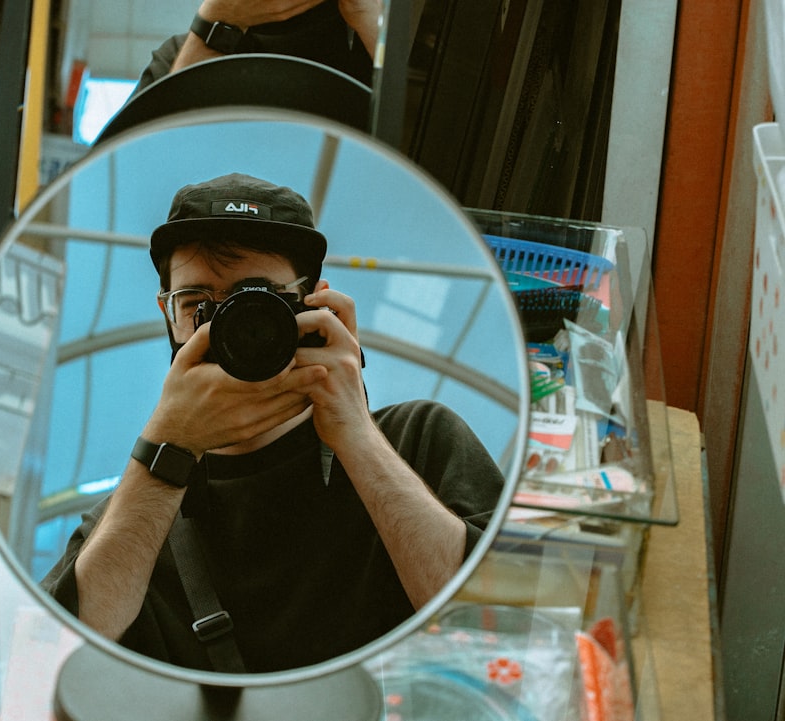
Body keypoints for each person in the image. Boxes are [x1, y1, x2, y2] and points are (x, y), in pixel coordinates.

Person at [41, 173, 506, 673]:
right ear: (167, 314)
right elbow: (53, 662)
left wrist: (354, 431)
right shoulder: (139, 511)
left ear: (315, 304)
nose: (224, 326)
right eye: (197, 304)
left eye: (256, 297)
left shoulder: (418, 441)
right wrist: (168, 447)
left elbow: (499, 629)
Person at [135, 0, 382, 93]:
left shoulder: (378, 49)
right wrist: (214, 25)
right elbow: (132, 170)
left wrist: (372, 22)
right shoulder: (179, 54)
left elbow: (414, 172)